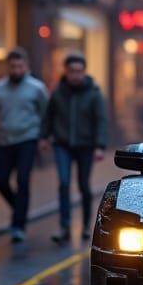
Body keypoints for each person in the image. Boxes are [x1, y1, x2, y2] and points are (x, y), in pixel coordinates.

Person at [0, 47, 49, 242]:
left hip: (28, 139)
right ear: (7, 67)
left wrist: (44, 137)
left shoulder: (37, 88)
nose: (16, 70)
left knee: (23, 180)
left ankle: (18, 225)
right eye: (12, 66)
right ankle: (20, 208)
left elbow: (46, 115)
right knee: (2, 181)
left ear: (26, 66)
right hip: (5, 140)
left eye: (19, 66)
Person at [43, 53, 108, 243]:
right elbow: (49, 116)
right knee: (63, 183)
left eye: (79, 71)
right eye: (72, 71)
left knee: (83, 185)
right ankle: (64, 226)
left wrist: (99, 146)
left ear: (84, 72)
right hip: (62, 144)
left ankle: (87, 225)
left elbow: (101, 121)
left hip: (86, 146)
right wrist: (44, 137)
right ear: (66, 71)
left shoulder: (94, 93)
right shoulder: (58, 92)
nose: (75, 75)